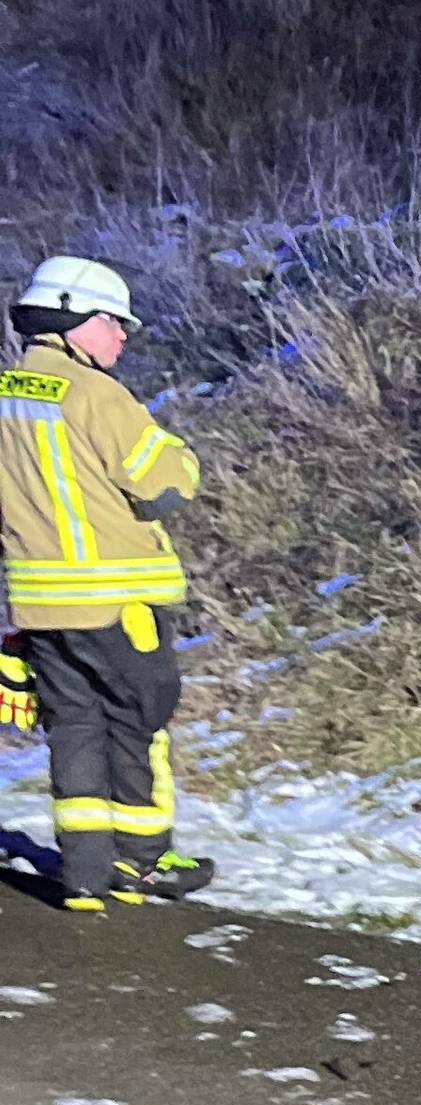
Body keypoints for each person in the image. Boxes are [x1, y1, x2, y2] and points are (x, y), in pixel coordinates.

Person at [0, 256, 210, 910]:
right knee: (139, 725)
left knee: (74, 728)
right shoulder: (97, 396)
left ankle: (86, 874)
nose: (122, 336)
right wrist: (183, 457)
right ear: (72, 320)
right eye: (113, 323)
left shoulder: (6, 396)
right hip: (119, 603)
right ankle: (146, 865)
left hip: (40, 609)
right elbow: (167, 484)